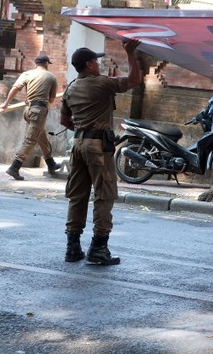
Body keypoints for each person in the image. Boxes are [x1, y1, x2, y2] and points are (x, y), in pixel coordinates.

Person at [59, 40, 142, 265]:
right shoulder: (102, 83)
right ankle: (98, 248)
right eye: (96, 61)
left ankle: (72, 248)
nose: (98, 64)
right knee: (104, 196)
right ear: (88, 64)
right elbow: (134, 80)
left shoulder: (71, 87)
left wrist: (83, 129)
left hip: (77, 145)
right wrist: (130, 52)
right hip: (98, 148)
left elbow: (64, 120)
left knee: (77, 196)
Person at [0, 54, 60, 180]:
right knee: (30, 140)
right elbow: (51, 99)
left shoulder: (26, 74)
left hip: (27, 111)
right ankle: (14, 167)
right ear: (46, 64)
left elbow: (15, 88)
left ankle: (51, 163)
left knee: (41, 136)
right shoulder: (51, 77)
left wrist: (5, 103)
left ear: (36, 63)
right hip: (39, 111)